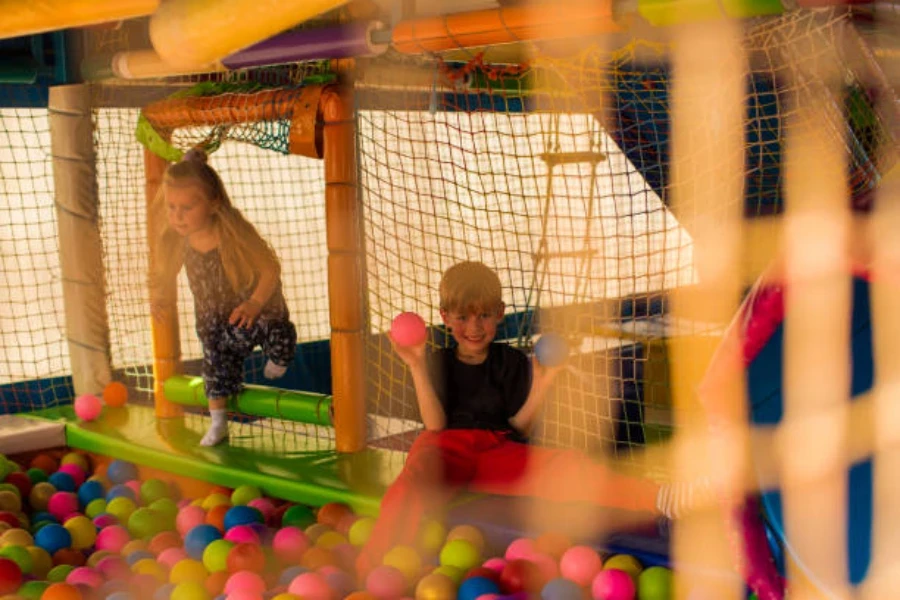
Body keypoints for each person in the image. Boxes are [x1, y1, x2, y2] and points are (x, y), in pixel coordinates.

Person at [357, 261, 694, 573]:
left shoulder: (510, 361)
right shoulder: (437, 362)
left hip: (495, 448)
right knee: (414, 481)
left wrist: (543, 384)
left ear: (500, 313)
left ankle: (661, 498)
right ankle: (372, 566)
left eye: (485, 316)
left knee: (567, 466)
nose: (474, 327)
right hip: (446, 447)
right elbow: (435, 426)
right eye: (462, 318)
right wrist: (416, 363)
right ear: (445, 316)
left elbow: (518, 427)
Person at [149, 148, 297, 446]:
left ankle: (281, 353)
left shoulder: (232, 230)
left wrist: (255, 302)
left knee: (275, 328)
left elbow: (270, 268)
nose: (177, 216)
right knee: (214, 366)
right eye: (172, 207)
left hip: (253, 307)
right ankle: (218, 424)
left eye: (187, 207)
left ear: (213, 203)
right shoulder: (178, 239)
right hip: (215, 320)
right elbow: (165, 272)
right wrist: (159, 296)